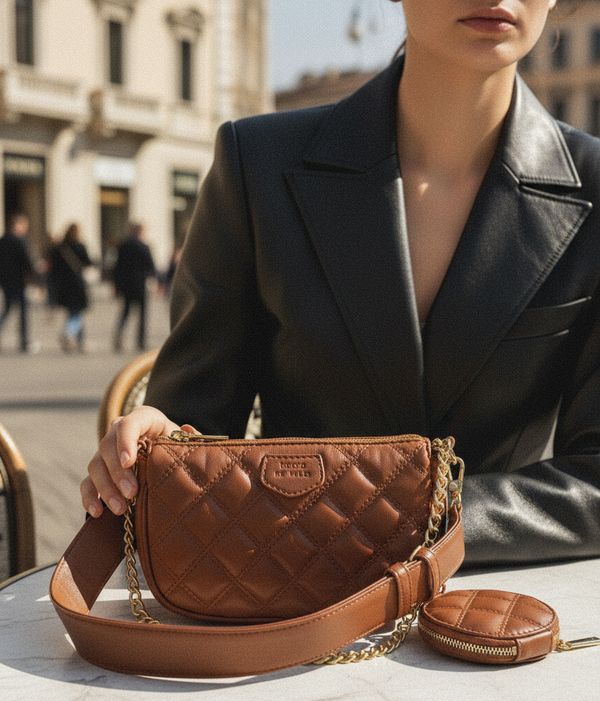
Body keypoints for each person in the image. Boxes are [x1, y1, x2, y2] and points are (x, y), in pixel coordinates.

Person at [82, 0, 600, 569]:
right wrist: (160, 448)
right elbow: (196, 433)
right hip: (286, 600)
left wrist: (409, 513)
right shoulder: (256, 164)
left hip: (496, 619)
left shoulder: (594, 191)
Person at [111, 223, 156, 351]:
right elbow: (150, 265)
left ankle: (120, 333)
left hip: (126, 285)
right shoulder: (143, 246)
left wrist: (117, 286)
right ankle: (140, 341)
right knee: (142, 314)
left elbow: (117, 268)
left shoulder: (123, 246)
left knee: (125, 311)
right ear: (140, 231)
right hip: (140, 284)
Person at [48, 223, 92, 352]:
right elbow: (87, 262)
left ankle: (80, 341)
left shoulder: (60, 248)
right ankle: (68, 334)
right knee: (76, 313)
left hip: (64, 285)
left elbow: (53, 268)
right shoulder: (80, 246)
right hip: (77, 283)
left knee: (73, 312)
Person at [0, 213, 36, 353]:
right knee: (23, 312)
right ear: (18, 225)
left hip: (6, 281)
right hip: (19, 281)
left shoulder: (3, 240)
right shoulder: (20, 241)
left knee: (7, 310)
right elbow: (27, 261)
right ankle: (24, 342)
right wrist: (35, 279)